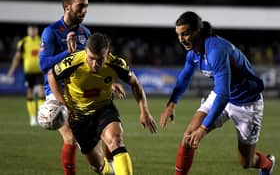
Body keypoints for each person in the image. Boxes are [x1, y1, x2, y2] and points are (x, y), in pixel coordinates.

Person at [160, 11, 276, 175]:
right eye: (178, 34)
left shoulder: (216, 50)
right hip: (222, 94)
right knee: (188, 136)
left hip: (247, 103)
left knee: (246, 162)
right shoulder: (193, 53)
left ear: (197, 31)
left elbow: (224, 95)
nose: (181, 39)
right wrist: (171, 104)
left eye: (185, 33)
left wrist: (204, 128)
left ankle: (267, 164)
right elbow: (184, 77)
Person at [39, 0, 124, 174]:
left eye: (86, 6)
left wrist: (108, 82)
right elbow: (43, 65)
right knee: (69, 137)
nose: (84, 10)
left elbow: (92, 65)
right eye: (80, 6)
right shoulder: (51, 32)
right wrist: (66, 54)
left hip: (84, 89)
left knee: (103, 134)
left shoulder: (85, 32)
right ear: (67, 7)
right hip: (57, 90)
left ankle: (110, 168)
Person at [48, 32, 158, 175]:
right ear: (85, 52)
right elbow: (52, 76)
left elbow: (135, 84)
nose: (95, 64)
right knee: (98, 167)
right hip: (78, 117)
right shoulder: (73, 62)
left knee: (116, 140)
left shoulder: (116, 63)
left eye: (100, 60)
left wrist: (144, 111)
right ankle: (110, 171)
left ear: (107, 54)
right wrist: (63, 105)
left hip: (103, 110)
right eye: (91, 58)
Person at [7, 24, 44, 126]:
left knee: (42, 93)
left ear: (37, 31)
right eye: (30, 29)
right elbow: (17, 57)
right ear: (28, 31)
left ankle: (41, 116)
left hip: (40, 71)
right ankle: (32, 118)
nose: (32, 31)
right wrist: (11, 70)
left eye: (34, 29)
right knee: (30, 93)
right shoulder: (23, 42)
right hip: (29, 72)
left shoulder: (41, 41)